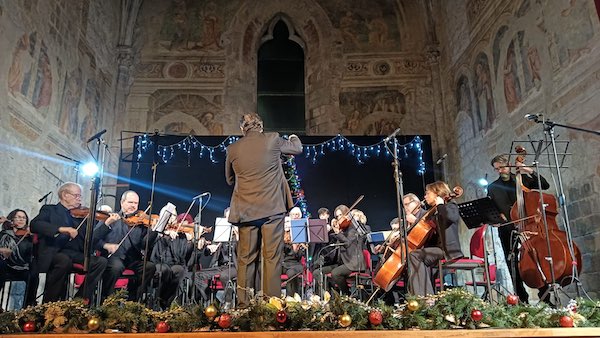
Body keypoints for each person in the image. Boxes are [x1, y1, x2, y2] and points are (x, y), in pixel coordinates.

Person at [225, 112, 302, 307]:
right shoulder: (273, 138)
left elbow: (230, 179)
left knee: (245, 259)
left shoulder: (232, 148)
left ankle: (243, 305)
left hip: (246, 210)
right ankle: (271, 305)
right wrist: (293, 136)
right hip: (271, 209)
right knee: (272, 257)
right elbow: (297, 148)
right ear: (261, 126)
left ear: (243, 128)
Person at [30, 182, 107, 303]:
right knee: (63, 260)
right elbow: (35, 225)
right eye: (76, 195)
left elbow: (91, 239)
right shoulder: (50, 209)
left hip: (74, 253)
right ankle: (50, 302)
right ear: (65, 195)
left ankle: (78, 300)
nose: (79, 199)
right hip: (54, 251)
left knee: (100, 262)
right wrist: (61, 229)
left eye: (80, 196)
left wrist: (105, 225)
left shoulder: (81, 216)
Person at [487, 154, 550, 303]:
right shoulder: (492, 187)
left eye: (502, 167)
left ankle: (545, 295)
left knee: (537, 260)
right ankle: (522, 299)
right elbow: (492, 209)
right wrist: (494, 219)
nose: (500, 171)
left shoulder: (522, 180)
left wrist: (527, 170)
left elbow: (544, 185)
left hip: (528, 227)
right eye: (497, 169)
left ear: (509, 165)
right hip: (507, 229)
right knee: (512, 264)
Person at [94, 190, 157, 302]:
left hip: (132, 259)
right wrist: (105, 245)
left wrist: (153, 231)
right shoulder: (111, 217)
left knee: (149, 267)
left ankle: (133, 300)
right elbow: (94, 238)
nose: (133, 206)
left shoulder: (141, 222)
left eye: (135, 203)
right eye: (130, 202)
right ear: (122, 202)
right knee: (116, 267)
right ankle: (106, 300)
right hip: (113, 257)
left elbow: (144, 244)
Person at [407, 181, 463, 296]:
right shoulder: (434, 212)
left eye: (428, 193)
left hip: (448, 250)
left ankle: (424, 297)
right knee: (418, 257)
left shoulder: (450, 205)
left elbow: (451, 218)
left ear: (437, 193)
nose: (425, 196)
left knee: (414, 256)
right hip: (437, 249)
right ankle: (426, 296)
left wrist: (441, 205)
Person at [313, 204, 366, 296]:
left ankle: (347, 295)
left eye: (340, 215)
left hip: (353, 262)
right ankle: (328, 296)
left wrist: (338, 233)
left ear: (346, 215)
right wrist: (330, 231)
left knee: (335, 273)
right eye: (337, 216)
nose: (338, 218)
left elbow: (347, 244)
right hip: (342, 262)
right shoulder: (342, 229)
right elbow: (332, 244)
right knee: (317, 272)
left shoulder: (353, 229)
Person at [150, 213, 194, 309]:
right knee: (165, 271)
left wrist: (189, 242)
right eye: (169, 215)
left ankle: (166, 300)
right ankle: (158, 299)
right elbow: (150, 246)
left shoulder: (178, 234)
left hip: (174, 263)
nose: (172, 218)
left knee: (179, 270)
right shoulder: (157, 231)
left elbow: (183, 255)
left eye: (174, 215)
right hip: (158, 262)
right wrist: (163, 234)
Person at [0, 209, 37, 308]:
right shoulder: (3, 234)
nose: (21, 220)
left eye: (24, 218)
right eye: (18, 217)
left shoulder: (28, 236)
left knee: (34, 271)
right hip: (6, 267)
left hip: (22, 268)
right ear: (11, 219)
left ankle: (29, 305)